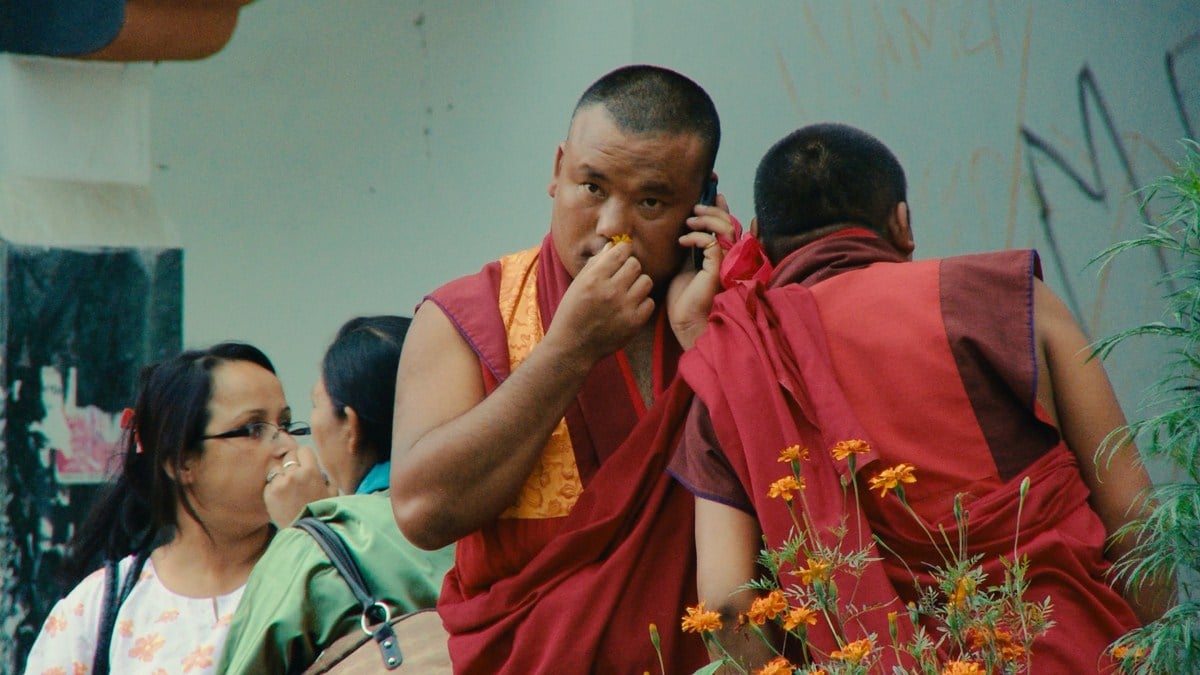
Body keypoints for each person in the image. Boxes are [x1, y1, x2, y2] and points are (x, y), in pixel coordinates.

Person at [669, 123, 1170, 672]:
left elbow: (725, 605)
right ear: (902, 225)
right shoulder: (1003, 299)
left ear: (760, 238)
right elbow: (1135, 516)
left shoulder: (741, 369)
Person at [389, 64, 735, 672]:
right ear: (557, 171)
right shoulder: (471, 317)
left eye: (651, 201)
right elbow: (422, 512)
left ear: (701, 201)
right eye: (593, 188)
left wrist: (705, 338)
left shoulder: (737, 312)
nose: (611, 231)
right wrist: (567, 352)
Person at [23, 342, 307, 675]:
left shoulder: (311, 581)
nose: (288, 446)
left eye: (286, 425)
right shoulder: (97, 610)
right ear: (180, 460)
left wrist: (315, 530)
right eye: (253, 429)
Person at [219, 315, 454, 674]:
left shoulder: (312, 548)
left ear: (350, 426)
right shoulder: (507, 517)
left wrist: (311, 527)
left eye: (314, 404)